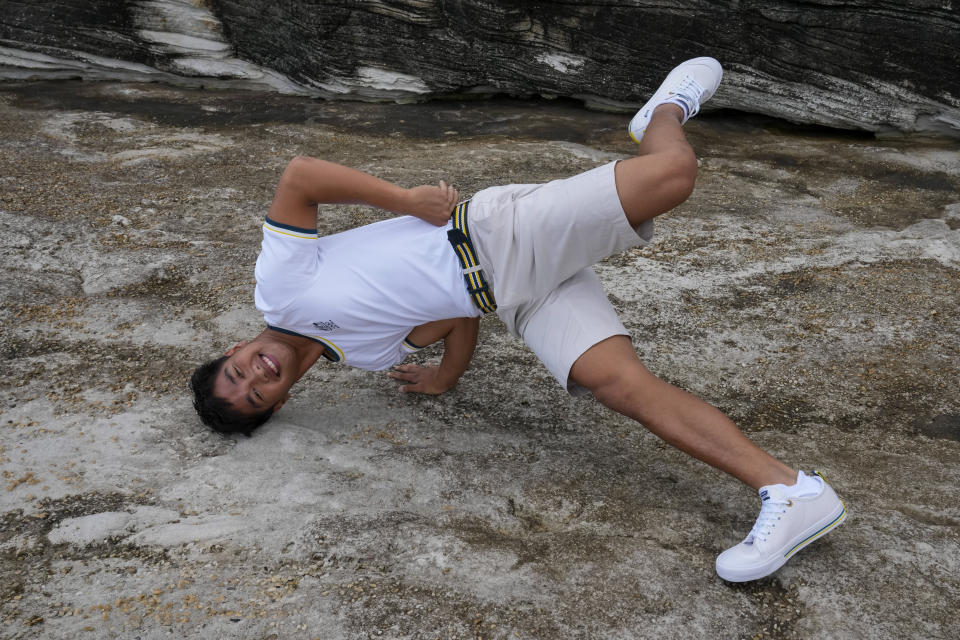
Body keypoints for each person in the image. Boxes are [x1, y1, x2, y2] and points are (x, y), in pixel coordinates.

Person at [190, 57, 846, 582]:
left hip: (498, 234)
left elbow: (300, 177)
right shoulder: (360, 354)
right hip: (510, 296)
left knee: (671, 172)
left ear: (234, 348)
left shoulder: (280, 289)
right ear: (277, 406)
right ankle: (789, 491)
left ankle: (664, 112)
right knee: (619, 387)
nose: (256, 375)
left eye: (237, 371)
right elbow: (453, 319)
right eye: (255, 394)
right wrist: (448, 376)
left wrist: (404, 201)